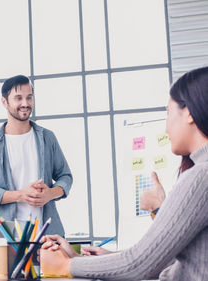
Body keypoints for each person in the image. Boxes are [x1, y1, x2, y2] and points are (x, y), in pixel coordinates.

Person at [39, 66, 208, 280]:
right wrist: (81, 260)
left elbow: (140, 263)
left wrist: (66, 266)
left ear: (189, 114)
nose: (166, 128)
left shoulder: (200, 177)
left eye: (168, 112)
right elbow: (176, 257)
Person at [0, 75, 72, 235]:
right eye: (18, 98)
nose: (25, 104)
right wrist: (20, 195)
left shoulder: (47, 138)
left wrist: (50, 194)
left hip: (48, 236)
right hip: (9, 237)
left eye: (29, 97)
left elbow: (65, 176)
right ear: (4, 102)